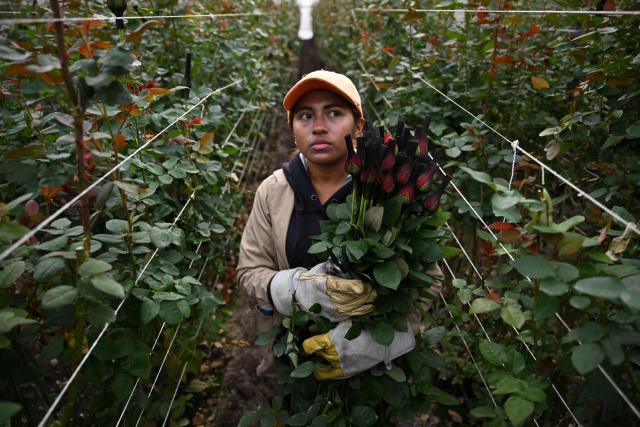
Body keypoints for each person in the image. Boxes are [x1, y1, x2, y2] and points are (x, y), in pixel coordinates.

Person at [236, 70, 438, 380]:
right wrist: (299, 291)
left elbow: (428, 284)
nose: (318, 127)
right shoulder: (274, 191)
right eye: (305, 116)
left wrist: (368, 346)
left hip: (374, 375)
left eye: (334, 113)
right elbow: (250, 273)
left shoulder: (387, 192)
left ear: (358, 125)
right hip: (294, 359)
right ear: (292, 130)